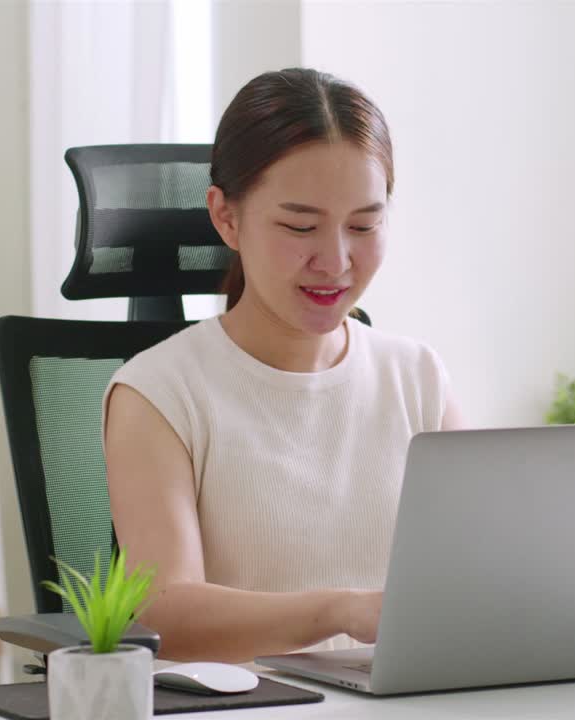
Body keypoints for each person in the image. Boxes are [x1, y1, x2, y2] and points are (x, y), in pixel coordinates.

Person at [103, 68, 463, 663]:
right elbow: (165, 614)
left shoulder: (417, 377)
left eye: (364, 225)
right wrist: (340, 612)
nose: (336, 260)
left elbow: (489, 570)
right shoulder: (157, 392)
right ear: (226, 218)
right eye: (300, 226)